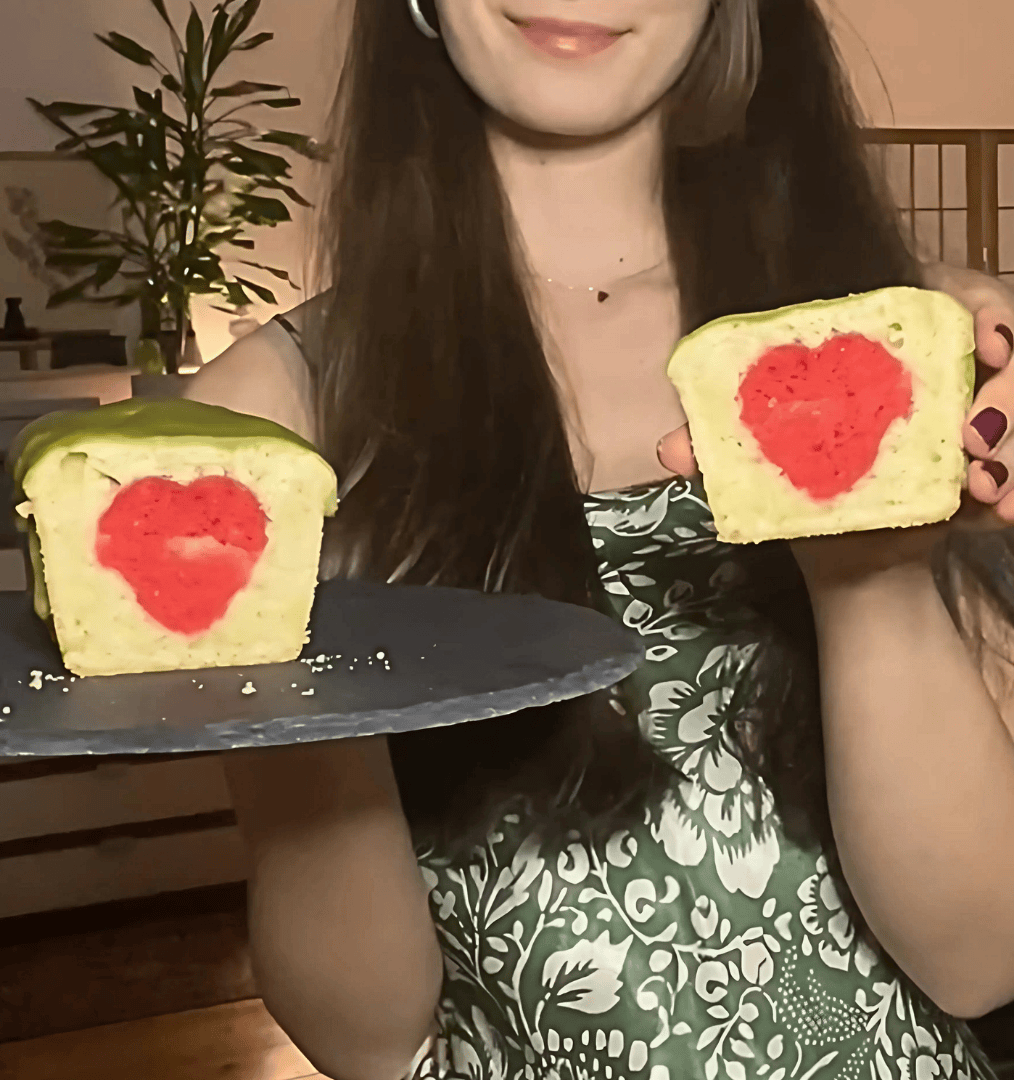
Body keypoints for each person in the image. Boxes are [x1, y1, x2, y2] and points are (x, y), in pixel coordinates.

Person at [185, 0, 1014, 1077]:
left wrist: (868, 559)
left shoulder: (894, 344)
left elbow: (979, 959)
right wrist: (302, 688)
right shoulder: (264, 429)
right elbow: (368, 1041)